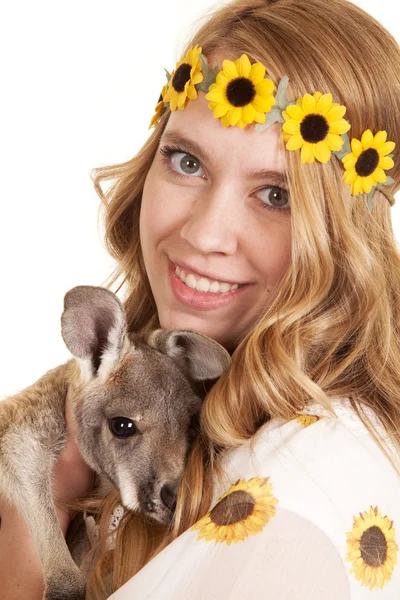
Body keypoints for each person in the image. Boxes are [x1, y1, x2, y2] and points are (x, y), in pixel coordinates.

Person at [1, 0, 400, 597]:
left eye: (276, 196)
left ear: (341, 235)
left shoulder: (291, 499)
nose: (204, 235)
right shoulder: (178, 385)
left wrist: (31, 518)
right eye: (188, 162)